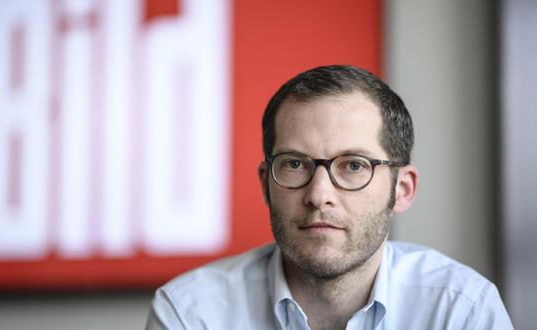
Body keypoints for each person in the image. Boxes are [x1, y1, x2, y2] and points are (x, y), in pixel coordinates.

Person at [146, 65, 513, 329]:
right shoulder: (191, 313)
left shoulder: (461, 310)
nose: (319, 195)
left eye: (353, 166)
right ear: (265, 185)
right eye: (294, 164)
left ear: (402, 190)